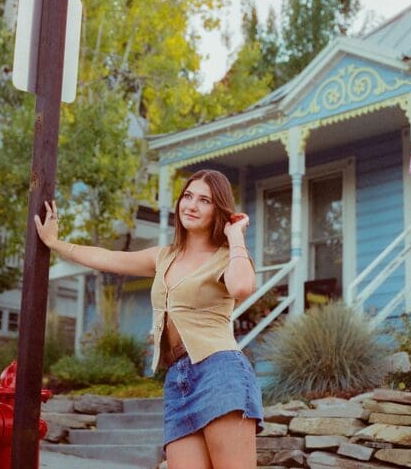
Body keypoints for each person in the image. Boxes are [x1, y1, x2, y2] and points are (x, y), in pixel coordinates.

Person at [34, 169, 263, 469]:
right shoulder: (164, 256)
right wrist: (55, 243)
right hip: (178, 378)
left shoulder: (226, 256)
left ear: (218, 208)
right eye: (188, 196)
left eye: (204, 200)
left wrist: (235, 236)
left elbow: (242, 286)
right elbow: (108, 258)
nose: (192, 205)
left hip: (220, 371)